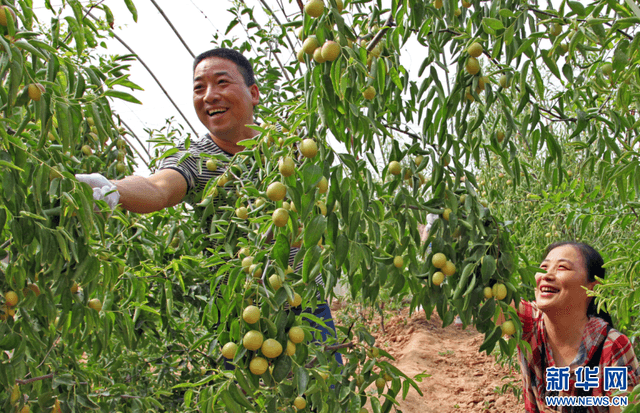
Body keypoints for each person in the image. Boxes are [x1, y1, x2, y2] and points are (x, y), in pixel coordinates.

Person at [76, 47, 342, 364]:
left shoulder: (289, 144)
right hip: (242, 314)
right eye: (199, 88)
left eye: (221, 82)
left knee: (323, 394)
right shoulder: (197, 161)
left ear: (253, 93)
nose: (210, 95)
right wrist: (112, 188)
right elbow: (158, 187)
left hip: (305, 303)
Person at [517, 241, 639, 412]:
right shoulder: (530, 324)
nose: (546, 275)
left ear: (593, 289)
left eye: (562, 268)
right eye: (543, 267)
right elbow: (489, 297)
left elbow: (623, 408)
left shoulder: (611, 348)